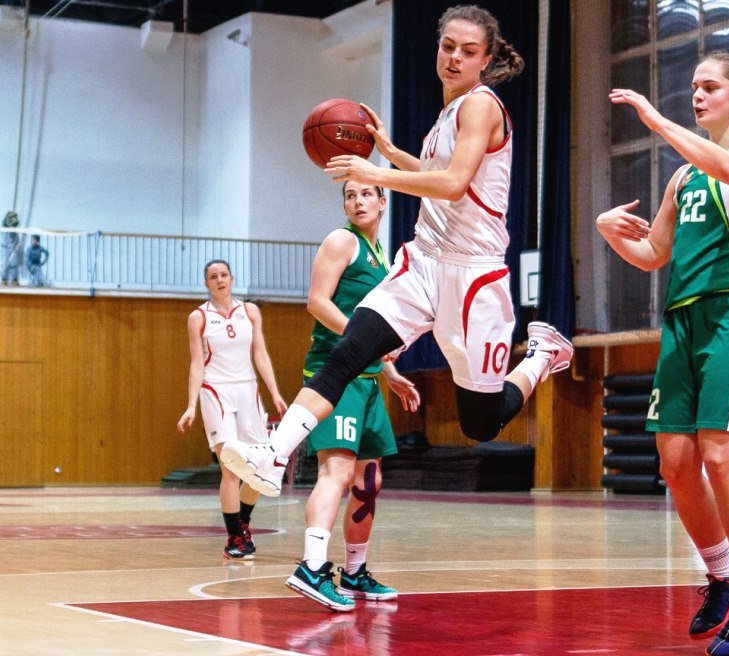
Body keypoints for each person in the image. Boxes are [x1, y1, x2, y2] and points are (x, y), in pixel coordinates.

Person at [221, 5, 573, 498]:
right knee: (351, 348)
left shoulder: (481, 105)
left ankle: (541, 355)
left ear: (486, 59)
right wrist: (389, 153)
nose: (454, 58)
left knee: (480, 423)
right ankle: (273, 455)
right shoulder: (447, 113)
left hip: (473, 277)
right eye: (447, 46)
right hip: (424, 260)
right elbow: (434, 175)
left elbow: (453, 184)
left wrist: (373, 173)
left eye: (468, 51)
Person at [595, 52, 729, 656]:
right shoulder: (683, 179)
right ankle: (721, 575)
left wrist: (655, 121)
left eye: (710, 87)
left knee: (721, 456)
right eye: (694, 87)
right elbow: (654, 254)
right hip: (683, 318)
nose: (698, 96)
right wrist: (608, 233)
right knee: (676, 464)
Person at [284, 180, 421, 612]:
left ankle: (355, 573)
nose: (357, 201)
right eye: (349, 195)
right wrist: (362, 342)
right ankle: (311, 567)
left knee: (368, 481)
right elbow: (317, 302)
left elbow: (375, 323)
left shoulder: (382, 255)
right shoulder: (342, 241)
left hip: (368, 379)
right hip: (335, 375)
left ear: (383, 201)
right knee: (337, 473)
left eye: (365, 194)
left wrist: (389, 370)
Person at [177, 260, 289, 559]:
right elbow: (196, 363)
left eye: (224, 275)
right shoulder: (198, 317)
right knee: (231, 469)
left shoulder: (249, 312)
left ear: (232, 278)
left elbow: (260, 353)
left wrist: (275, 393)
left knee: (258, 466)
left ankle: (243, 525)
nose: (220, 280)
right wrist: (190, 406)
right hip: (215, 391)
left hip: (248, 391)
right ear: (207, 283)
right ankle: (233, 538)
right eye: (213, 277)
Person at [0, 211, 22, 286]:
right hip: (5, 247)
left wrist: (17, 245)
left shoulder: (15, 228)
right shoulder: (4, 225)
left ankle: (15, 280)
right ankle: (4, 279)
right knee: (4, 264)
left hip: (13, 247)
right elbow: (7, 223)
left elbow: (17, 238)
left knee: (14, 264)